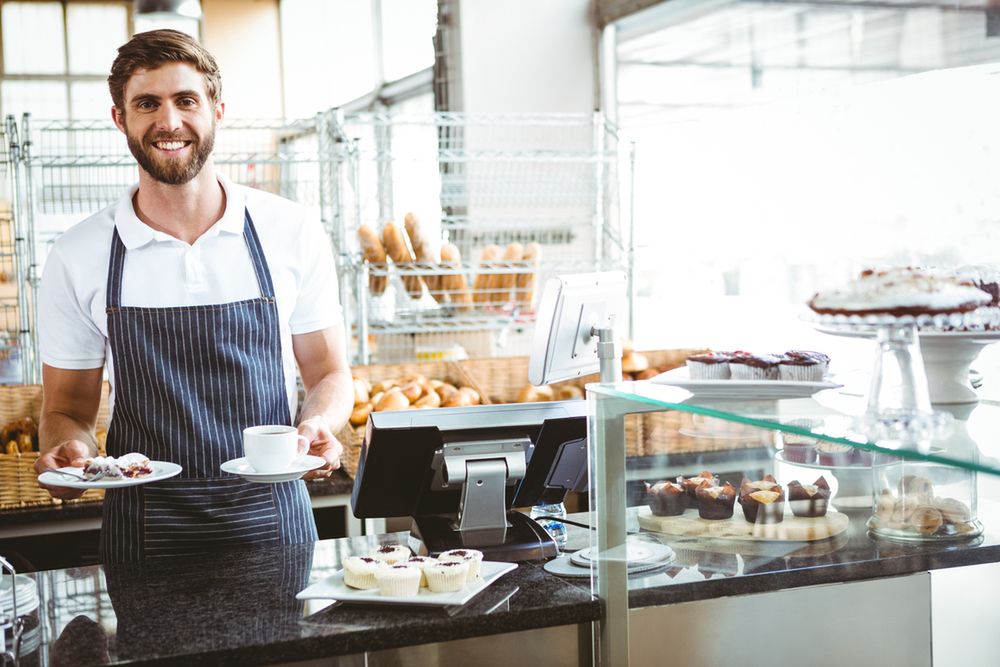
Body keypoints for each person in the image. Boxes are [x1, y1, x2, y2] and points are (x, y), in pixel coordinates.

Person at [33, 29, 354, 563]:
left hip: (274, 524)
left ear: (217, 110)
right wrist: (73, 454)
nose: (170, 122)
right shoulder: (78, 253)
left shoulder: (289, 230)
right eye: (147, 104)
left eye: (186, 100)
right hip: (144, 534)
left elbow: (329, 374)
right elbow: (66, 406)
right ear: (120, 119)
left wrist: (318, 422)